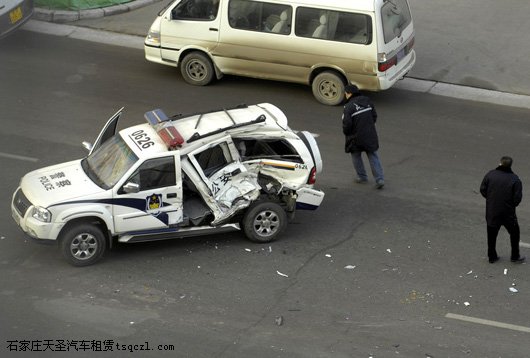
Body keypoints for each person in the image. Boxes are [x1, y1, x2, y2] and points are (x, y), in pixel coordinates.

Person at [480, 156, 525, 263]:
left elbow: (482, 190)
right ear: (510, 165)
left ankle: (492, 257)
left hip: (492, 211)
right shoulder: (515, 179)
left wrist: (491, 199)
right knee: (514, 233)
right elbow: (517, 199)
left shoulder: (490, 174)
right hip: (508, 214)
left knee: (491, 235)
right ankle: (515, 256)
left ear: (500, 163)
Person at [342, 84, 385, 189]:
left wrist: (348, 134)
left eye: (346, 93)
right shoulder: (367, 100)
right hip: (370, 135)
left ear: (349, 93)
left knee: (356, 155)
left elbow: (347, 125)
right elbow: (374, 116)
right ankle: (379, 179)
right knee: (373, 155)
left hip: (355, 138)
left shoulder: (348, 107)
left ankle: (362, 177)